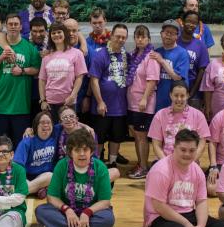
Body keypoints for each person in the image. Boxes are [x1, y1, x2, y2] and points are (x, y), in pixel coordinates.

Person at [35, 128, 115, 227]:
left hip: (92, 213)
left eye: (85, 149)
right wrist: (67, 210)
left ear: (92, 151)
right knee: (40, 211)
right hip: (65, 212)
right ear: (70, 153)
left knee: (107, 220)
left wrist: (87, 213)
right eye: (77, 150)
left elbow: (105, 201)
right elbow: (51, 197)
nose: (82, 154)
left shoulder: (101, 168)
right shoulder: (62, 165)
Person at [0, 13, 41, 142]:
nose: (13, 27)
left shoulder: (29, 48)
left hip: (20, 106)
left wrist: (22, 70)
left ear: (21, 27)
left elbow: (37, 69)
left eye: (16, 24)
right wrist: (1, 57)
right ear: (6, 26)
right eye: (10, 24)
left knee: (19, 143)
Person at [89, 23, 129, 168]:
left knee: (116, 137)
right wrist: (100, 101)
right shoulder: (101, 55)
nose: (120, 39)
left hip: (120, 107)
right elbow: (94, 80)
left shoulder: (126, 56)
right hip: (103, 106)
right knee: (99, 138)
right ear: (111, 36)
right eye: (117, 36)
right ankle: (97, 163)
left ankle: (112, 163)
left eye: (123, 37)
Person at [126, 24, 160, 179]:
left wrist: (145, 98)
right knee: (136, 135)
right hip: (132, 101)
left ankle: (144, 167)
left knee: (141, 136)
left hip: (143, 103)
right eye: (137, 36)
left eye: (143, 36)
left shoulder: (150, 56)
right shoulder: (133, 55)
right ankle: (140, 163)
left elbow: (152, 81)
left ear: (148, 39)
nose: (140, 39)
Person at [148, 80, 210, 163]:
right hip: (165, 160)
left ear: (187, 95)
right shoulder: (160, 115)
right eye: (176, 95)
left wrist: (190, 161)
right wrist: (166, 163)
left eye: (182, 96)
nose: (179, 99)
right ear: (170, 95)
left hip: (190, 161)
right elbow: (156, 145)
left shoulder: (198, 115)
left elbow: (202, 145)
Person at [39, 22, 88, 122]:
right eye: (53, 33)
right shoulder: (46, 57)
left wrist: (73, 96)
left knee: (68, 132)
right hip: (50, 103)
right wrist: (43, 100)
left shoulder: (77, 53)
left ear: (65, 33)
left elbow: (79, 77)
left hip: (68, 101)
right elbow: (42, 80)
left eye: (59, 32)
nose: (56, 35)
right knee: (52, 132)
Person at [14, 111, 56, 198]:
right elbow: (17, 165)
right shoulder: (27, 141)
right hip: (26, 176)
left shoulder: (55, 139)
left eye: (48, 122)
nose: (46, 125)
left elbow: (70, 123)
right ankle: (37, 189)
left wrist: (85, 126)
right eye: (42, 122)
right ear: (36, 125)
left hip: (44, 177)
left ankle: (21, 192)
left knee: (51, 176)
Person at [150, 20, 190, 112]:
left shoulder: (182, 53)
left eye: (172, 33)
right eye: (166, 32)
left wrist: (162, 61)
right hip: (158, 101)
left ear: (177, 36)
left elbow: (178, 77)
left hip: (176, 102)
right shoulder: (157, 52)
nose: (168, 35)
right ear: (161, 33)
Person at [177, 9, 210, 110]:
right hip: (175, 91)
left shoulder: (201, 46)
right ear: (182, 22)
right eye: (188, 21)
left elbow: (202, 71)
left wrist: (191, 93)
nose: (191, 25)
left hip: (194, 93)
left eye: (194, 23)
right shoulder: (175, 42)